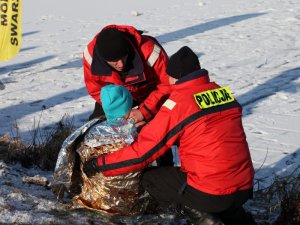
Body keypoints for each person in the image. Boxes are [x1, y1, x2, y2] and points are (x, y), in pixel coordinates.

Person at [83, 46, 257, 225]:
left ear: (173, 77)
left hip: (211, 194)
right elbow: (203, 131)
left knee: (151, 179)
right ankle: (239, 218)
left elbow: (143, 153)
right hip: (244, 187)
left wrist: (100, 164)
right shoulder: (223, 93)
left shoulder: (179, 104)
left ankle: (206, 219)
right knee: (218, 180)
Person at [83, 24, 170, 123]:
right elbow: (95, 89)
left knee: (156, 126)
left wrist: (143, 111)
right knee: (96, 125)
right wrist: (117, 110)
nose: (120, 64)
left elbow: (167, 84)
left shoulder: (149, 51)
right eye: (114, 61)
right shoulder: (91, 57)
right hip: (116, 99)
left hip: (150, 96)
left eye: (124, 57)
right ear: (103, 59)